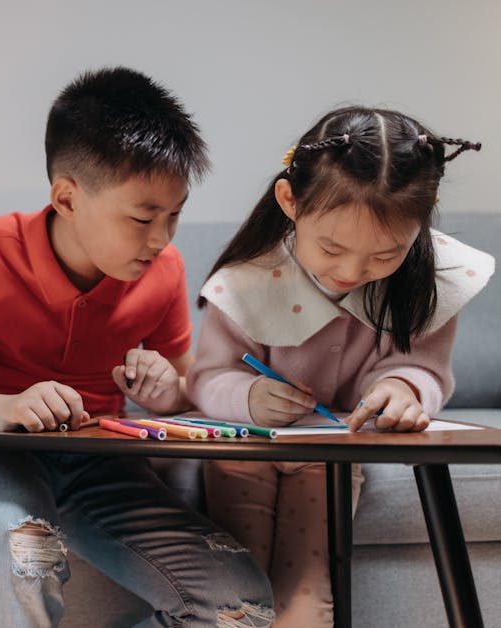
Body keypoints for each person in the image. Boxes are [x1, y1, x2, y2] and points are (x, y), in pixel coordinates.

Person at [0, 67, 274, 627]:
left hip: (101, 461)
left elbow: (190, 395)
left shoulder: (163, 271)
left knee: (242, 607)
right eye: (142, 217)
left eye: (175, 214)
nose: (161, 239)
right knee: (24, 553)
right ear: (66, 197)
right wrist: (4, 407)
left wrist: (165, 394)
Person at [185, 106, 492, 628]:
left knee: (308, 590)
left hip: (330, 454)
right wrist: (249, 397)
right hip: (244, 450)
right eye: (331, 247)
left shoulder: (428, 283)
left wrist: (402, 388)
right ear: (290, 201)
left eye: (385, 254)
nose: (353, 271)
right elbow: (207, 378)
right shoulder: (250, 279)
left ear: (424, 215)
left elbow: (424, 368)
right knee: (234, 591)